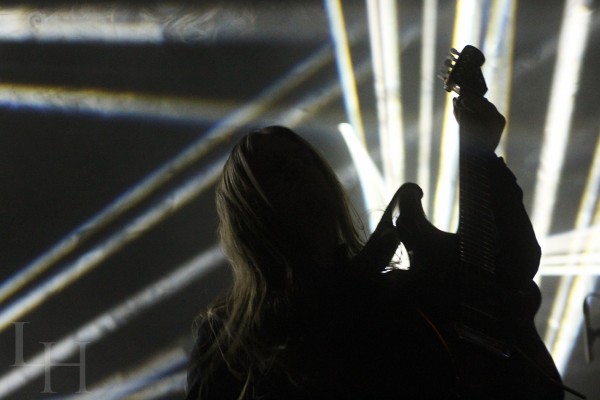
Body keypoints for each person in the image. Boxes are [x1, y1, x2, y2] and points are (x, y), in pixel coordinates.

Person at [185, 95, 565, 399]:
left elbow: (503, 272)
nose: (302, 173)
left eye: (305, 161)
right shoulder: (227, 338)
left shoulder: (393, 293)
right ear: (251, 212)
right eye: (279, 172)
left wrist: (482, 155)